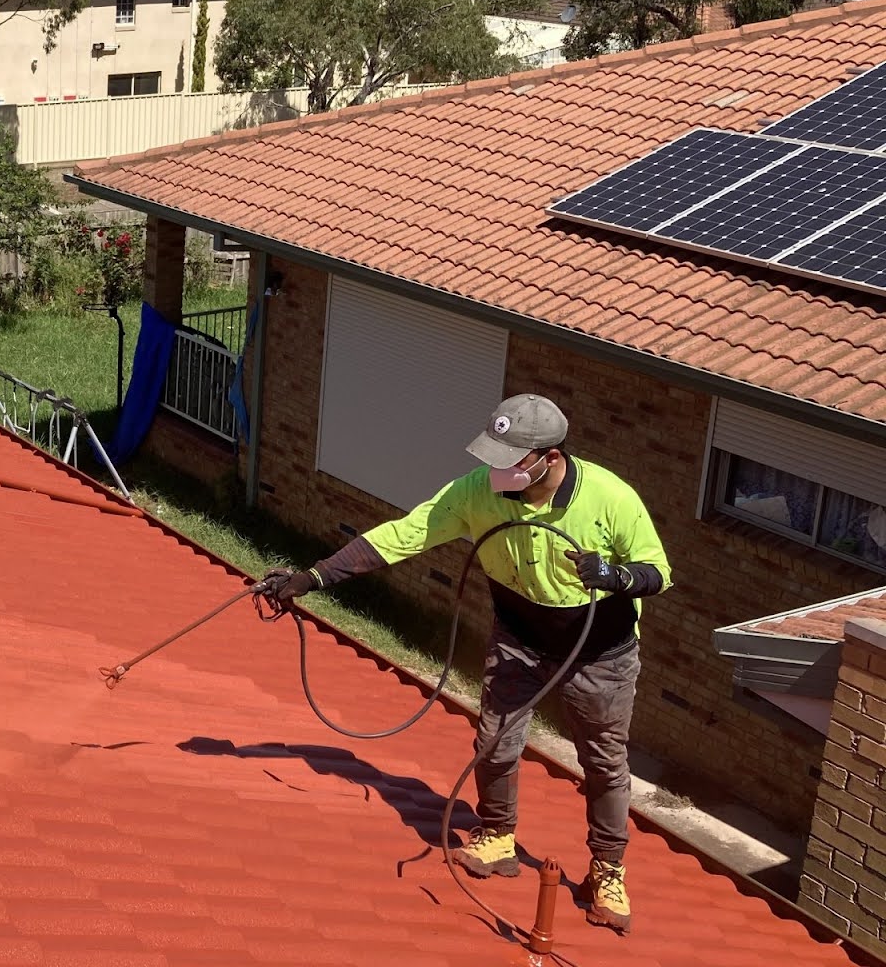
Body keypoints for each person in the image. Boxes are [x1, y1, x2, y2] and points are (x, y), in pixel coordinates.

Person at [260, 394, 669, 935]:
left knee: (604, 763)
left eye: (510, 460)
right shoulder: (480, 491)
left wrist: (614, 576)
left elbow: (657, 571)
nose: (496, 471)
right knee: (495, 740)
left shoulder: (610, 497)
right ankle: (497, 834)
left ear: (549, 457)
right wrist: (314, 577)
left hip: (599, 651)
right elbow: (405, 534)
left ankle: (607, 870)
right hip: (519, 638)